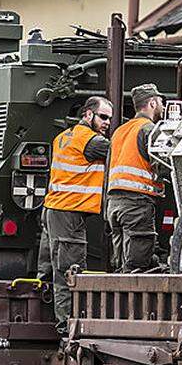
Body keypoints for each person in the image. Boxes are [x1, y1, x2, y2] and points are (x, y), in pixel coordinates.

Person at [40, 96, 112, 332]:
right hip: (68, 212)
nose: (107, 123)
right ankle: (66, 328)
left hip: (55, 209)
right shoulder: (90, 140)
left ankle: (53, 322)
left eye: (109, 119)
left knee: (51, 270)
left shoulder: (64, 137)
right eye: (103, 117)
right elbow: (118, 150)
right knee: (69, 273)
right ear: (88, 115)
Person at [106, 83, 165, 272]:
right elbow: (162, 165)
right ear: (152, 103)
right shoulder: (149, 130)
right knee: (136, 267)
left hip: (114, 205)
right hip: (136, 203)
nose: (163, 106)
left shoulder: (119, 131)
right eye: (161, 102)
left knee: (122, 262)